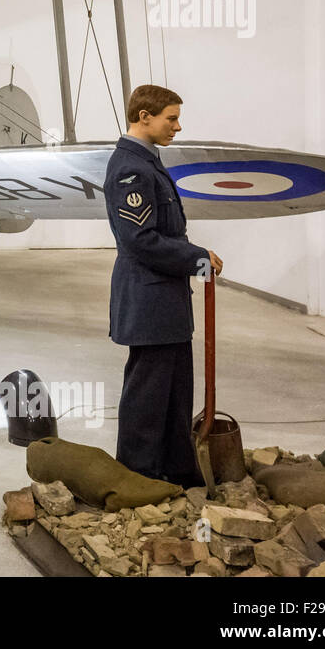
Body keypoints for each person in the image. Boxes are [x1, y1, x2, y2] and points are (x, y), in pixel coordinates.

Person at [105, 84, 223, 488]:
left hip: (164, 298)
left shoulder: (147, 162)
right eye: (171, 118)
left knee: (174, 391)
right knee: (147, 396)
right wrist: (196, 257)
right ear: (144, 117)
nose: (177, 126)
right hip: (148, 296)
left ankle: (175, 470)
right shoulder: (130, 168)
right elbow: (140, 239)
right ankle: (138, 477)